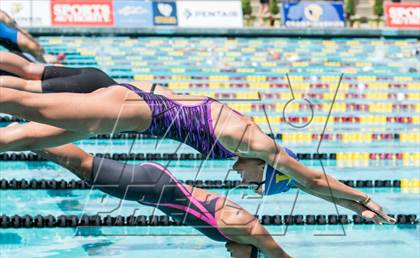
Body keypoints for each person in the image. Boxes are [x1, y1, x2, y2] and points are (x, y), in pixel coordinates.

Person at [0, 76, 395, 225]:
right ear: (270, 169)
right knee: (21, 103)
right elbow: (308, 177)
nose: (245, 182)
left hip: (130, 103)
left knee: (22, 136)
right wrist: (359, 200)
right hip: (128, 110)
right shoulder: (252, 140)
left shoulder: (237, 143)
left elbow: (180, 98)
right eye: (257, 184)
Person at [25, 139, 335, 258]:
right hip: (155, 187)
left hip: (156, 187)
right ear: (254, 253)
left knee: (83, 168)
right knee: (84, 166)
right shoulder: (246, 226)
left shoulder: (240, 227)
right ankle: (24, 132)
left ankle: (27, 136)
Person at [0, 51, 170, 94]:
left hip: (96, 75)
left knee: (29, 69)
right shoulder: (167, 102)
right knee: (28, 85)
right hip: (93, 87)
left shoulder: (162, 91)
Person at [0, 10, 64, 63]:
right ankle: (57, 62)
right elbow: (14, 26)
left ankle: (56, 61)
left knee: (39, 58)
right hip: (19, 40)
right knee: (41, 57)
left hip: (13, 41)